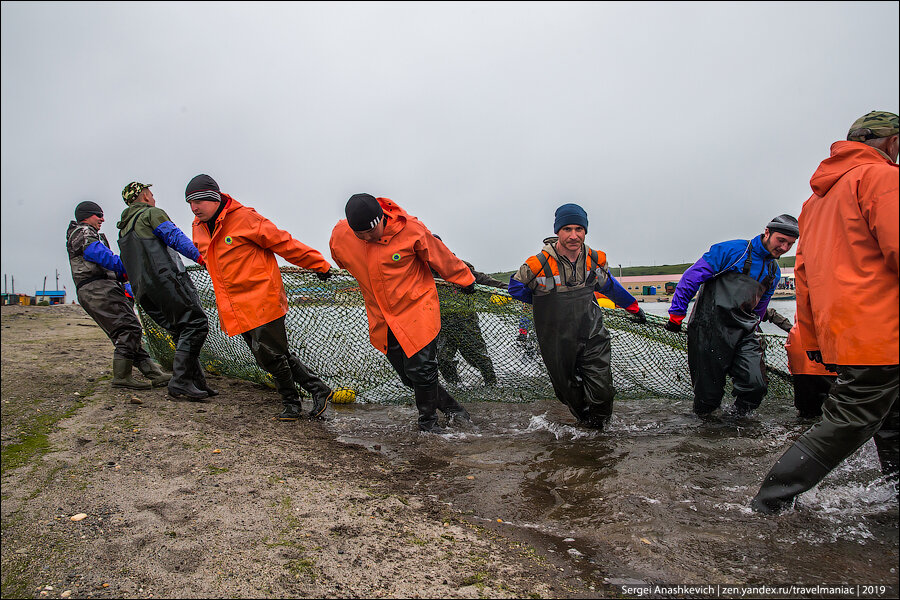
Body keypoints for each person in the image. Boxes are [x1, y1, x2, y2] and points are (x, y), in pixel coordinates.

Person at [751, 111, 899, 514]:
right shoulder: (883, 178)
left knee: (889, 418)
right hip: (883, 331)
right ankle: (769, 502)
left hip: (847, 333)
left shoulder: (814, 203)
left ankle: (895, 490)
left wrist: (814, 340)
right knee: (851, 420)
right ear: (889, 143)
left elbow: (806, 277)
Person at [187, 174, 334, 421]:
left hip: (262, 297)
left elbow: (283, 242)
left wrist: (317, 264)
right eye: (190, 203)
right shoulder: (198, 227)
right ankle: (318, 389)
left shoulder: (245, 218)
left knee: (271, 355)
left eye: (199, 201)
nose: (194, 208)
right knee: (271, 355)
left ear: (214, 198)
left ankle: (292, 404)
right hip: (234, 305)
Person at [329, 194, 476, 432]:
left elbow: (440, 256)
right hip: (382, 316)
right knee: (410, 378)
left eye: (371, 230)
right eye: (360, 234)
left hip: (417, 307)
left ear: (381, 218)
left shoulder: (411, 230)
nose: (367, 237)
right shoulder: (340, 235)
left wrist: (464, 278)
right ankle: (455, 410)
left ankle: (428, 425)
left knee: (423, 369)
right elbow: (340, 260)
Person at [508, 203, 646, 429]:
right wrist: (544, 304)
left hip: (592, 332)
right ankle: (586, 430)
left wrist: (633, 307)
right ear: (557, 232)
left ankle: (598, 435)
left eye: (579, 229)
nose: (574, 236)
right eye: (567, 229)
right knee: (567, 391)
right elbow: (514, 288)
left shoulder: (595, 259)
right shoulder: (537, 264)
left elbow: (609, 286)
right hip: (556, 339)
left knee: (602, 391)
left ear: (585, 231)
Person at [664, 215, 798, 418]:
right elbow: (691, 278)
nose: (785, 247)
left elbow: (760, 308)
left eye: (791, 244)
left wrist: (755, 327)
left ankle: (736, 424)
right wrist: (676, 314)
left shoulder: (773, 271)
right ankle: (708, 434)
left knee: (756, 386)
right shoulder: (732, 251)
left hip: (744, 332)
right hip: (708, 328)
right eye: (781, 240)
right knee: (707, 400)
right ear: (767, 232)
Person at [116, 181, 212, 400]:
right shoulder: (151, 214)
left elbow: (125, 264)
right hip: (164, 282)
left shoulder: (123, 229)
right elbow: (174, 237)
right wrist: (201, 257)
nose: (153, 197)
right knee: (196, 324)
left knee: (181, 330)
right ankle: (180, 383)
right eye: (150, 193)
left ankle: (198, 383)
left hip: (143, 292)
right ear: (144, 196)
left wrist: (131, 288)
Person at [66, 201, 169, 390]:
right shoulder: (83, 232)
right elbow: (97, 254)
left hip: (98, 289)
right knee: (128, 328)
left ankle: (154, 373)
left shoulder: (83, 233)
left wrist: (123, 278)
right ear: (87, 216)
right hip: (98, 289)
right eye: (99, 215)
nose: (102, 219)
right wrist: (127, 266)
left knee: (128, 329)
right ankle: (122, 376)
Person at [431, 235, 507, 387]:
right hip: (441, 322)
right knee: (443, 357)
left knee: (477, 354)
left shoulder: (459, 265)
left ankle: (491, 384)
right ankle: (456, 386)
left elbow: (482, 279)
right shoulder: (422, 271)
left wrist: (505, 289)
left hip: (465, 319)